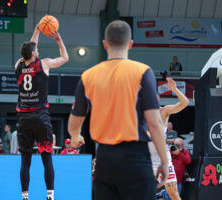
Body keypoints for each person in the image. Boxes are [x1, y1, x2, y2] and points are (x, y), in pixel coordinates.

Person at [68, 20, 168, 200]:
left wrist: (75, 138)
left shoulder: (88, 76)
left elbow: (74, 124)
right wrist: (164, 159)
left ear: (105, 44)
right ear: (130, 44)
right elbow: (154, 122)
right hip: (135, 157)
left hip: (105, 160)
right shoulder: (143, 72)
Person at [15, 23, 68, 200]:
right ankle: (50, 196)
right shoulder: (44, 64)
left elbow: (30, 48)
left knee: (25, 161)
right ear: (32, 54)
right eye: (35, 51)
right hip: (40, 118)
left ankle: (25, 196)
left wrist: (37, 29)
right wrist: (59, 40)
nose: (38, 52)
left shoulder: (18, 65)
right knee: (47, 158)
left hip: (23, 119)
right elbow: (65, 58)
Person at [151, 78, 189, 200]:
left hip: (162, 156)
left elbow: (185, 103)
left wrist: (175, 90)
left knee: (173, 193)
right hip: (144, 155)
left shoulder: (163, 111)